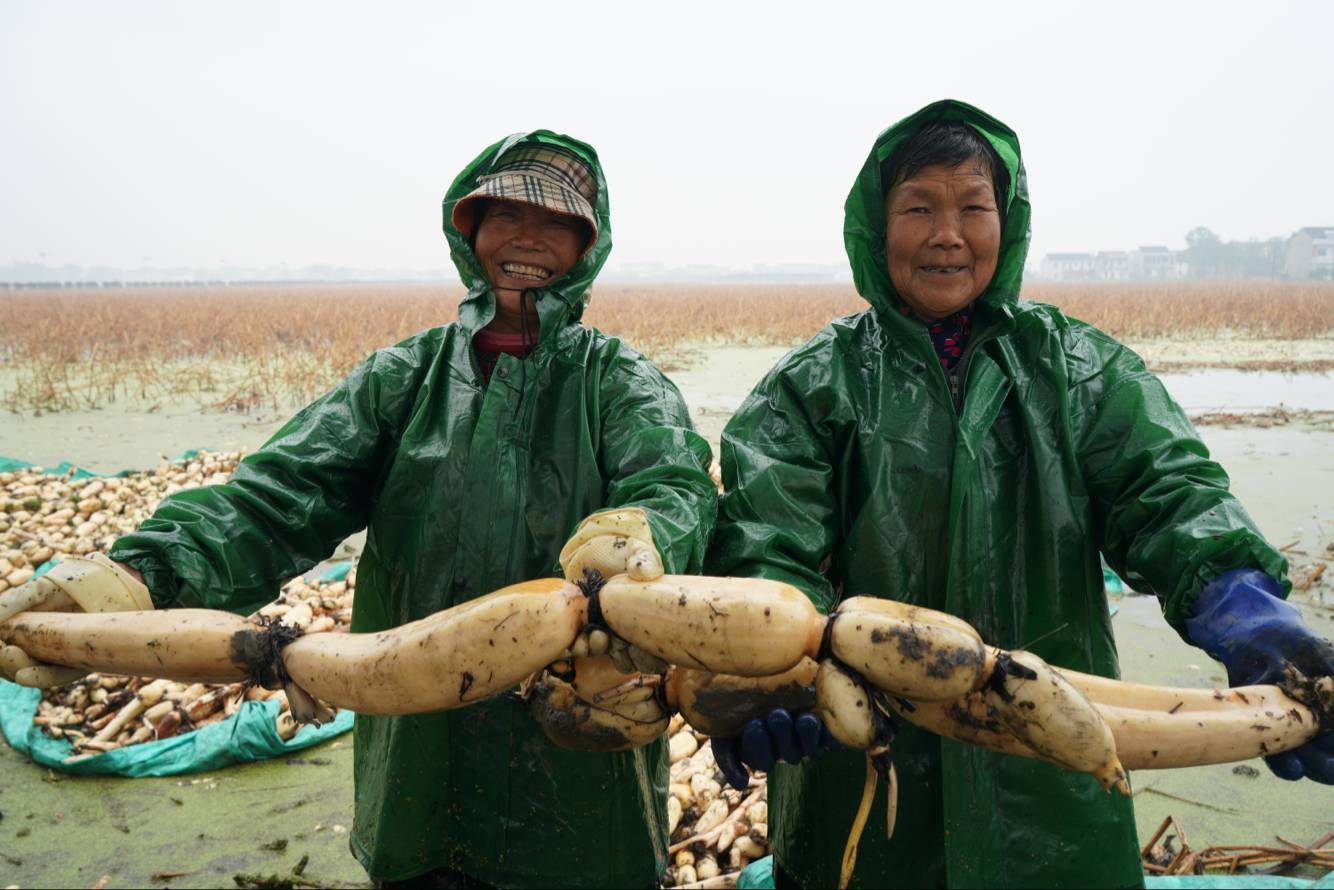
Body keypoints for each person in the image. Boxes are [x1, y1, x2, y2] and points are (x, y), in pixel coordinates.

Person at [3, 131, 717, 888]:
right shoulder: (401, 379)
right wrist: (135, 576)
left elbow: (673, 485)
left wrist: (634, 540)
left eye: (556, 224)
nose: (528, 240)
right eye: (505, 215)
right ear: (468, 230)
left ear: (587, 248)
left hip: (577, 779)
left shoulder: (618, 382)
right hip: (417, 761)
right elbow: (276, 500)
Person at [706, 100, 1333, 888]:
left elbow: (1171, 497)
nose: (948, 235)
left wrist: (1249, 614)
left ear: (1008, 224)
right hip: (862, 783)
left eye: (973, 208)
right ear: (875, 228)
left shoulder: (1080, 371)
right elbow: (767, 549)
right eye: (918, 209)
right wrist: (768, 677)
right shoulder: (810, 388)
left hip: (1053, 789)